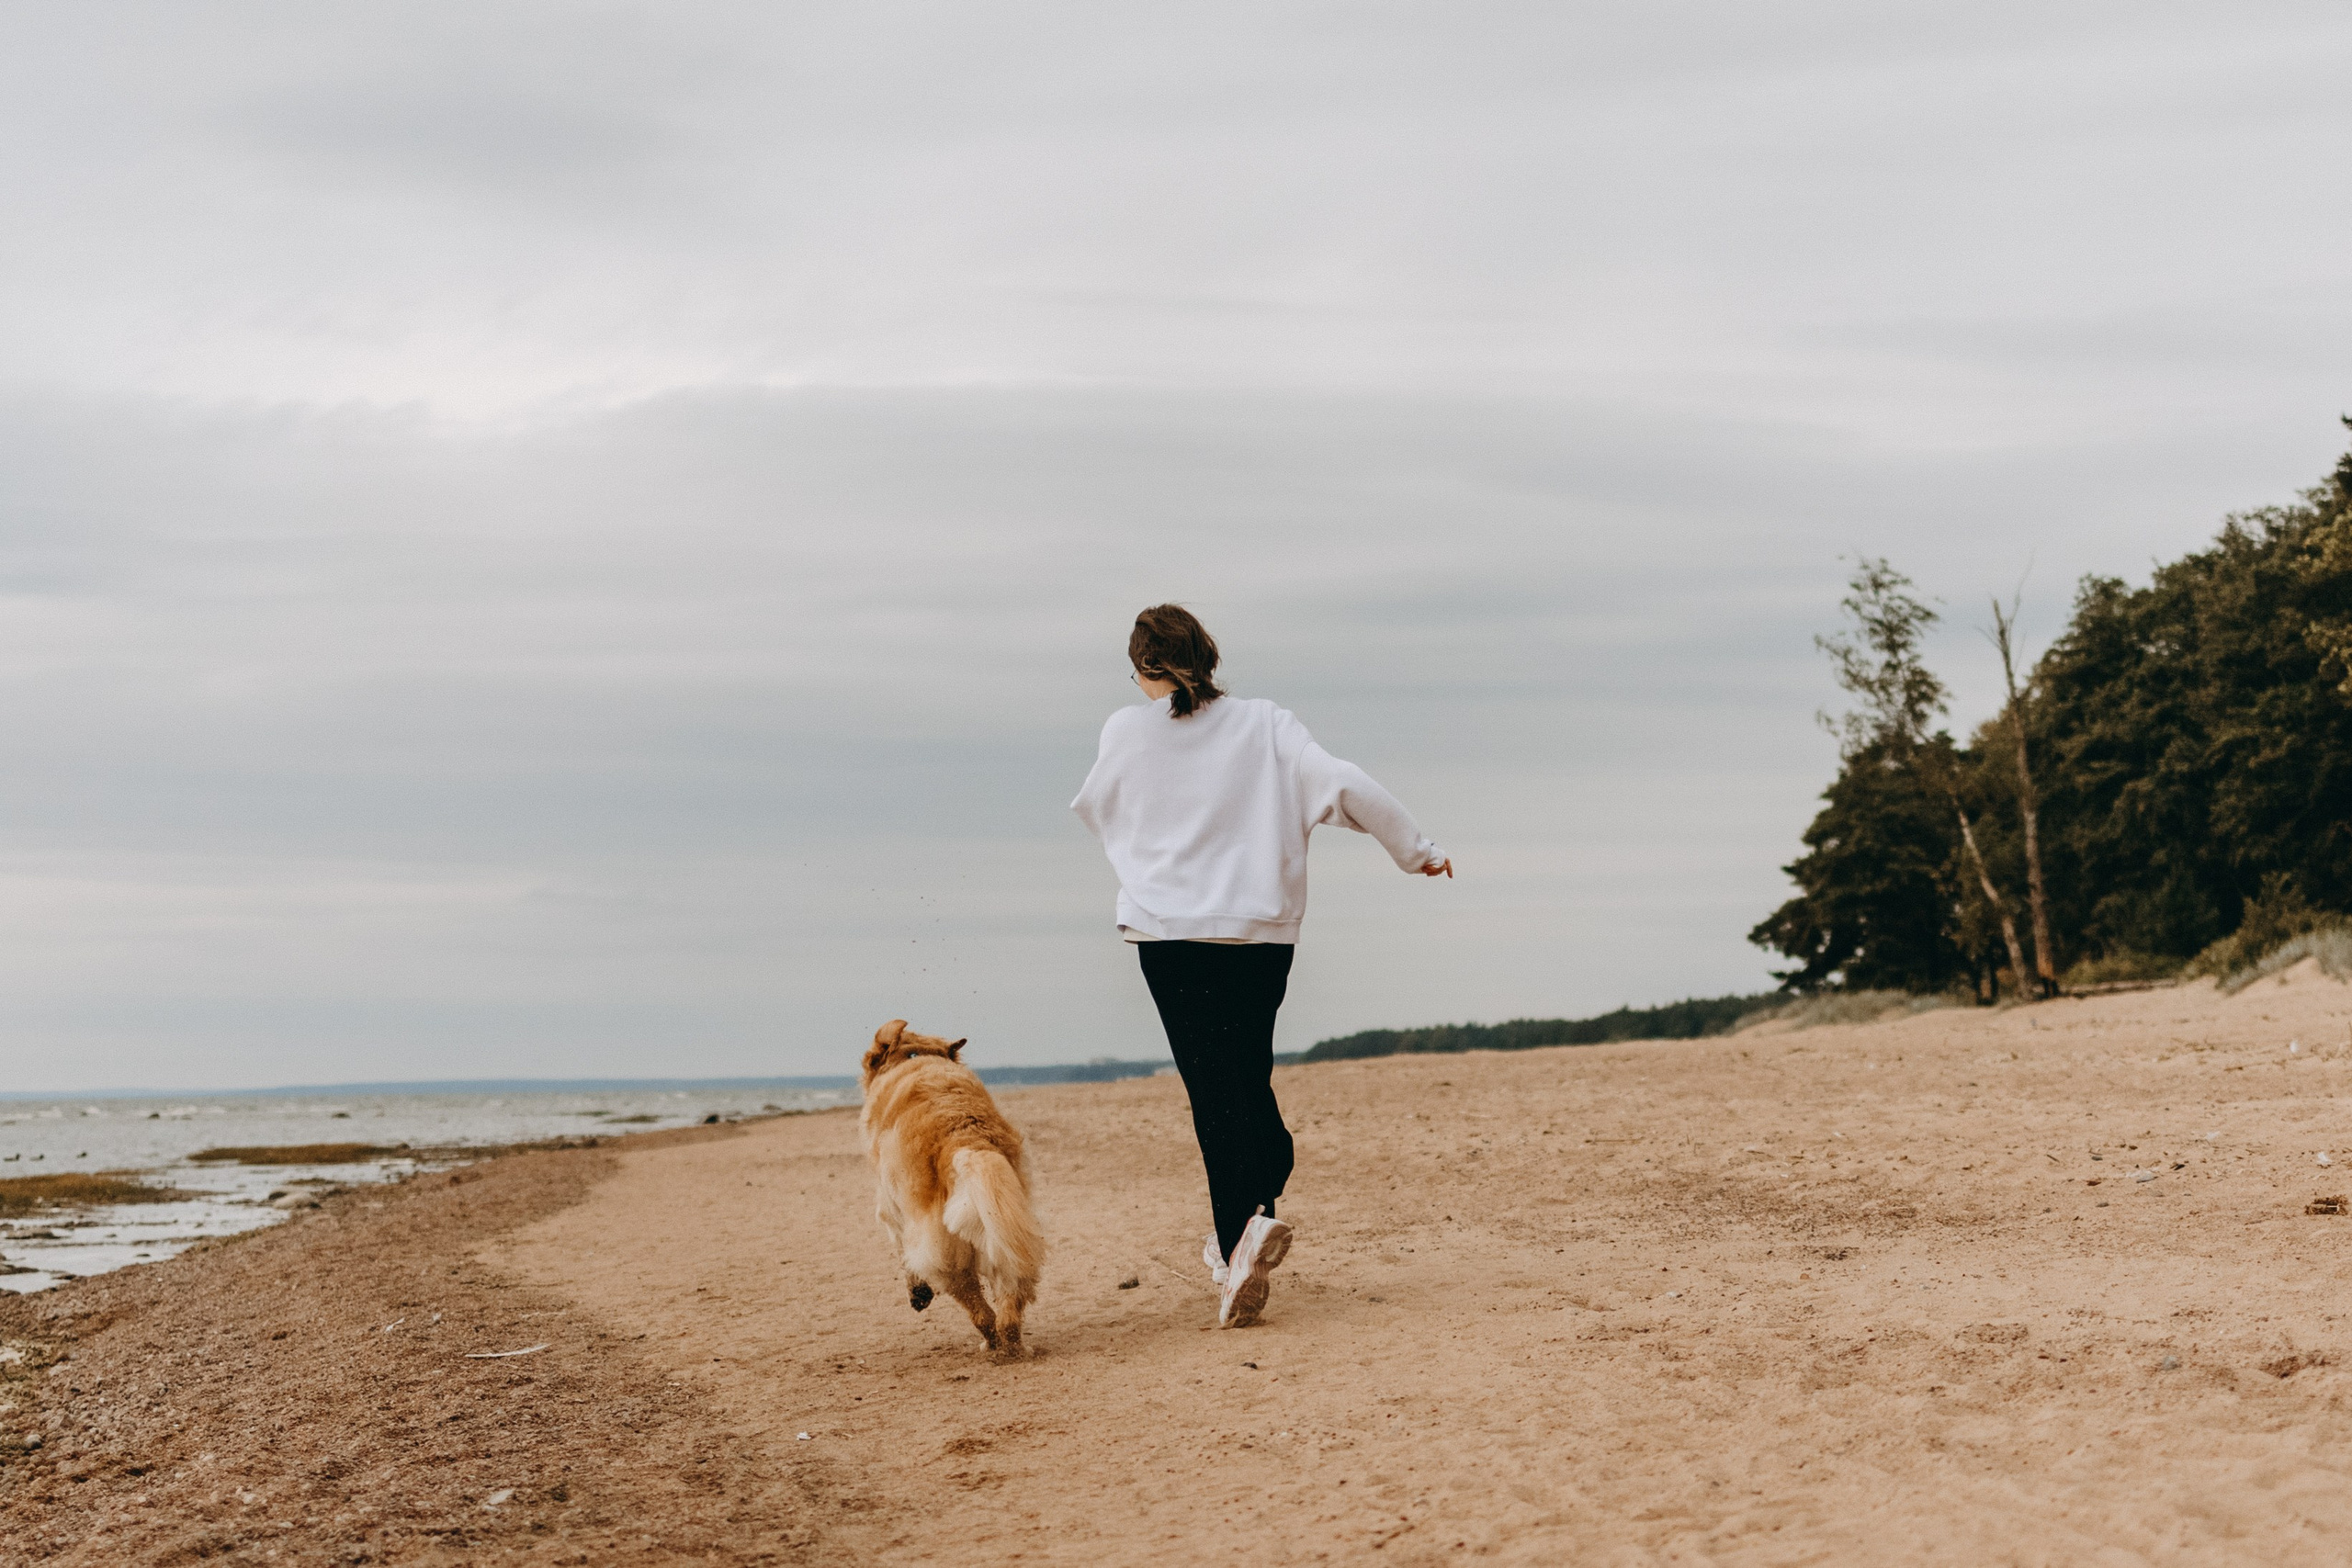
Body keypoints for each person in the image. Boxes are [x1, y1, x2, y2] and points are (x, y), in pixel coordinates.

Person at [1071, 604, 1451, 1328]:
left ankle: (1238, 1245)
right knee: (1244, 1077)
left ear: (1146, 667)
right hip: (1261, 935)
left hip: (1169, 935)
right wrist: (1418, 850)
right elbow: (1345, 783)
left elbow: (1099, 806)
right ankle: (1253, 1212)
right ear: (1208, 657)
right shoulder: (1269, 724)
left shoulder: (1125, 730)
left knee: (1213, 1094)